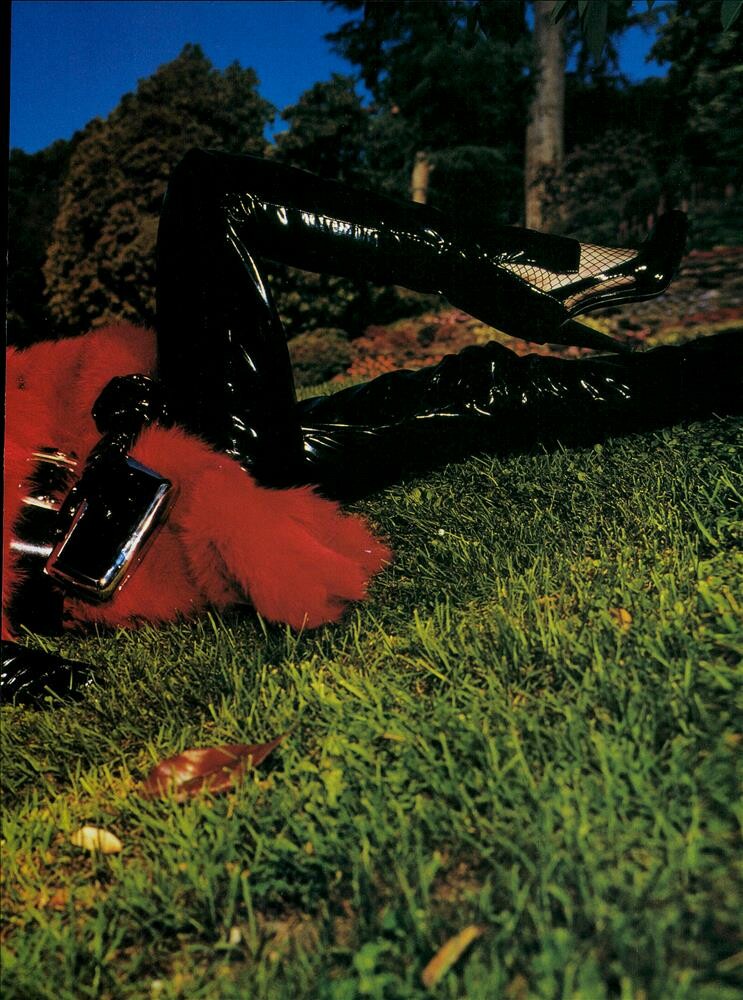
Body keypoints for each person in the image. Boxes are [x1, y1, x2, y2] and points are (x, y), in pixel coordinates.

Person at [3, 150, 741, 701]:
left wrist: (115, 407)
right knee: (212, 192)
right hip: (170, 534)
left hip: (163, 461)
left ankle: (717, 370)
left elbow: (38, 407)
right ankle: (524, 271)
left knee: (473, 394)